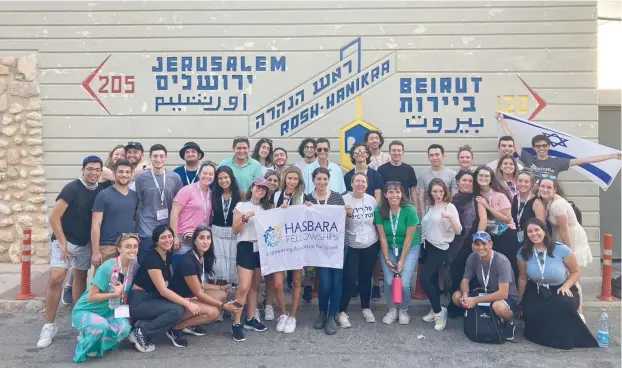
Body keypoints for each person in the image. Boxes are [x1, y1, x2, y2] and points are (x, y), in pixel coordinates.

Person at [37, 156, 104, 349]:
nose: (93, 173)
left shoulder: (101, 190)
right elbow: (54, 217)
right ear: (83, 170)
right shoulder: (72, 188)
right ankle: (49, 325)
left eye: (97, 169)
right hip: (64, 241)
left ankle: (79, 322)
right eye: (90, 169)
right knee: (57, 277)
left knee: (80, 277)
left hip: (84, 244)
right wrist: (63, 243)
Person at [517, 218, 598, 350]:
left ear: (544, 231)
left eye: (537, 230)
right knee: (531, 311)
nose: (534, 234)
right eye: (529, 231)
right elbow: (522, 278)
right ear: (526, 235)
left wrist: (566, 286)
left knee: (560, 305)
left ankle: (567, 333)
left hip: (560, 288)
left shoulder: (561, 249)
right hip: (537, 289)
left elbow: (575, 272)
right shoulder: (523, 252)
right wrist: (519, 300)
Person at [128, 225, 204, 351]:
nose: (168, 240)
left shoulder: (166, 254)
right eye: (163, 238)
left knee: (180, 306)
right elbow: (163, 290)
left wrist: (186, 297)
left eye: (170, 236)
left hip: (153, 297)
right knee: (176, 310)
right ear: (156, 241)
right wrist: (188, 303)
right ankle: (141, 332)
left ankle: (144, 324)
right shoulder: (153, 259)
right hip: (140, 301)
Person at [71, 234, 139, 362]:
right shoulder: (108, 267)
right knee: (100, 326)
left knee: (124, 328)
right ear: (119, 249)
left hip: (110, 310)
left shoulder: (134, 266)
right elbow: (91, 297)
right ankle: (85, 342)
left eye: (135, 247)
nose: (132, 250)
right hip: (87, 310)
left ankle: (99, 342)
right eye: (128, 247)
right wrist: (113, 295)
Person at [497, 112, 620, 180]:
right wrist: (502, 121)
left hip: (550, 198)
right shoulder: (529, 159)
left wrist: (613, 155)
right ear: (534, 148)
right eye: (538, 146)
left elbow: (587, 160)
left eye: (544, 146)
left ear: (549, 146)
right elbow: (512, 140)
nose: (541, 148)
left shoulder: (558, 163)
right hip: (531, 199)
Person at [167, 226, 241, 337]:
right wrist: (223, 306)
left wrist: (221, 287)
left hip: (191, 295)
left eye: (208, 238)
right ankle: (175, 329)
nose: (205, 241)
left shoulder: (201, 256)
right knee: (214, 312)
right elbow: (199, 293)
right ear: (194, 241)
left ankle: (190, 324)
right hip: (180, 300)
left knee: (221, 294)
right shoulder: (188, 261)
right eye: (201, 238)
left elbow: (199, 283)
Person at [451, 231, 519, 341]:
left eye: (484, 244)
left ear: (491, 244)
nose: (480, 247)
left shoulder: (501, 261)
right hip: (486, 292)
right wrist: (465, 294)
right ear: (473, 245)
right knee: (456, 297)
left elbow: (503, 293)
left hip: (506, 297)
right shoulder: (472, 257)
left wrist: (476, 300)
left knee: (498, 307)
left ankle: (510, 322)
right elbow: (465, 280)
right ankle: (475, 316)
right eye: (477, 244)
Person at [539, 178, 591, 319]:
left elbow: (565, 229)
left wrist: (569, 250)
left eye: (549, 187)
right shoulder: (549, 201)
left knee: (573, 276)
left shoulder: (557, 205)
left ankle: (579, 313)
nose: (545, 189)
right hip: (561, 236)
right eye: (542, 186)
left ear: (555, 189)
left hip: (570, 238)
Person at [304, 167, 346, 335]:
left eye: (324, 179)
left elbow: (343, 222)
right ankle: (322, 311)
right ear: (313, 181)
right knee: (324, 283)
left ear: (329, 180)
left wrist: (348, 214)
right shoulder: (307, 198)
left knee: (336, 282)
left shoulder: (337, 197)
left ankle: (332, 315)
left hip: (338, 247)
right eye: (318, 179)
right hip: (319, 248)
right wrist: (304, 209)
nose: (322, 182)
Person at [231, 178, 271, 342]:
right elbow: (235, 230)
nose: (261, 191)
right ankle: (236, 322)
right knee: (244, 287)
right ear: (252, 188)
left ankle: (250, 318)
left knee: (255, 286)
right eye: (258, 188)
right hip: (246, 247)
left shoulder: (266, 208)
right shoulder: (242, 206)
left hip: (261, 248)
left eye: (264, 189)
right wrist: (244, 219)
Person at [375, 181, 420, 325]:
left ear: (402, 194)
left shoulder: (410, 210)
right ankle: (392, 309)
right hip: (388, 247)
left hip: (409, 247)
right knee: (389, 281)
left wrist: (401, 260)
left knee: (404, 283)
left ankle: (404, 310)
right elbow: (382, 236)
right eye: (391, 192)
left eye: (397, 192)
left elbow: (409, 237)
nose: (394, 195)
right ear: (386, 195)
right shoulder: (379, 210)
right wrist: (387, 258)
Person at [338, 173, 379, 327]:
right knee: (350, 277)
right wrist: (347, 215)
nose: (360, 184)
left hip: (370, 243)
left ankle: (366, 308)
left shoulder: (371, 200)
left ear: (367, 185)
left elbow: (375, 222)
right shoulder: (344, 200)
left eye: (363, 181)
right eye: (357, 181)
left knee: (365, 276)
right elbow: (341, 223)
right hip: (352, 245)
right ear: (351, 183)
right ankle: (342, 311)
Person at [420, 179, 462, 331]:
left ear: (445, 191)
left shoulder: (449, 207)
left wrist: (450, 217)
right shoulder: (431, 207)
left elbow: (458, 230)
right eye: (434, 191)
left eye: (441, 191)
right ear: (430, 193)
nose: (438, 194)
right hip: (427, 246)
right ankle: (434, 307)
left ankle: (439, 312)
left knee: (424, 279)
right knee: (431, 281)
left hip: (440, 248)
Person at [268, 166, 306, 333]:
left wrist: (308, 207)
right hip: (280, 242)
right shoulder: (277, 195)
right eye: (289, 178)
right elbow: (269, 216)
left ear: (299, 181)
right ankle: (283, 313)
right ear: (285, 180)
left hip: (296, 243)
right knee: (277, 283)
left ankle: (293, 316)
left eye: (295, 179)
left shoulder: (304, 197)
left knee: (297, 281)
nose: (292, 182)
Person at [446, 169, 487, 316]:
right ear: (458, 182)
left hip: (471, 241)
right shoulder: (451, 199)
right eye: (464, 180)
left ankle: (469, 304)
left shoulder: (477, 198)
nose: (467, 183)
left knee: (469, 272)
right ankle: (456, 303)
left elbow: (483, 219)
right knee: (454, 271)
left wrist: (478, 240)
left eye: (470, 181)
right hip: (453, 242)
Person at [134, 144, 183, 264]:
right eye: (155, 156)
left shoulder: (175, 177)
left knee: (165, 264)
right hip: (146, 228)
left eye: (161, 156)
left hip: (167, 229)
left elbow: (179, 204)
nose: (158, 159)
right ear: (150, 158)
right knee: (145, 264)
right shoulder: (141, 178)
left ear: (166, 157)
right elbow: (137, 201)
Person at [91, 159, 138, 270]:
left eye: (127, 172)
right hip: (107, 246)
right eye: (120, 172)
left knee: (124, 283)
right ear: (114, 174)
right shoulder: (103, 195)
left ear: (131, 175)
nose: (124, 175)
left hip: (128, 247)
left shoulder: (135, 196)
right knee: (103, 284)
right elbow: (95, 225)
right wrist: (96, 252)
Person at [473, 166, 519, 278]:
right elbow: (483, 219)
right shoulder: (477, 194)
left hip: (507, 234)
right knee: (494, 267)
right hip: (492, 235)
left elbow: (508, 219)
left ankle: (512, 293)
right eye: (481, 175)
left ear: (491, 179)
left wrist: (487, 206)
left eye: (486, 176)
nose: (483, 178)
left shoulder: (500, 195)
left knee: (508, 266)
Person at [170, 162, 216, 269]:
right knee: (181, 271)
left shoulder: (211, 193)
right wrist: (175, 237)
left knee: (195, 272)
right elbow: (174, 213)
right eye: (204, 173)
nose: (207, 176)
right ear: (199, 174)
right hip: (184, 238)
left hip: (200, 239)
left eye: (211, 174)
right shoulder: (187, 190)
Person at [210, 166, 243, 286]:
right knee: (219, 267)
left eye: (226, 177)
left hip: (233, 234)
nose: (223, 181)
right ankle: (220, 297)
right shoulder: (213, 194)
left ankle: (232, 296)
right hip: (217, 234)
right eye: (220, 178)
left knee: (232, 266)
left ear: (231, 178)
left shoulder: (240, 195)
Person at [417, 144, 457, 218]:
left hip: (446, 212)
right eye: (431, 155)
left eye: (437, 154)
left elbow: (454, 197)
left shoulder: (452, 174)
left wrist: (451, 213)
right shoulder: (423, 175)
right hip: (429, 211)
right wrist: (423, 215)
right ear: (428, 157)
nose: (434, 158)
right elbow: (421, 197)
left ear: (443, 155)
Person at [511, 170, 546, 245]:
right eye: (520, 181)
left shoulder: (537, 202)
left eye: (526, 182)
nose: (523, 184)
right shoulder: (513, 199)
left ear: (531, 184)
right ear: (516, 182)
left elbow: (541, 227)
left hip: (531, 241)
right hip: (514, 239)